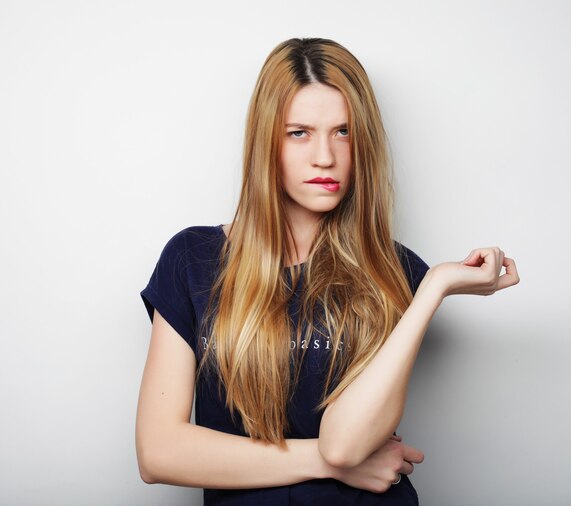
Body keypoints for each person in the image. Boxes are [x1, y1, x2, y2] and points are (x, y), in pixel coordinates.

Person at [135, 37, 519, 505]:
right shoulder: (192, 259)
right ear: (265, 143)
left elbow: (346, 442)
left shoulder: (391, 269)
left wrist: (433, 287)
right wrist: (321, 461)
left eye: (344, 132)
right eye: (299, 132)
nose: (325, 157)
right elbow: (158, 453)